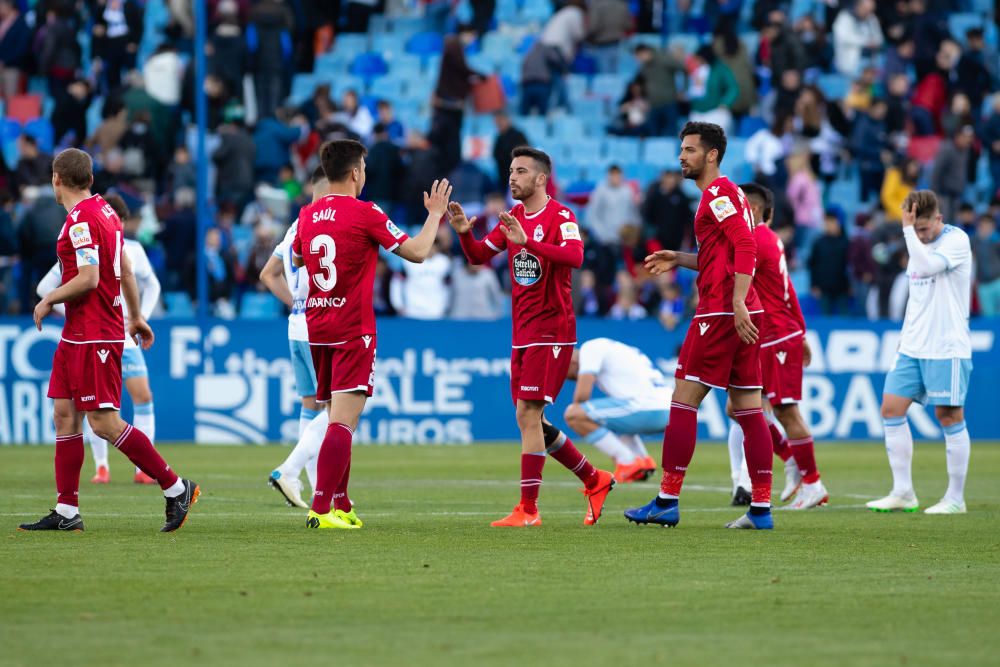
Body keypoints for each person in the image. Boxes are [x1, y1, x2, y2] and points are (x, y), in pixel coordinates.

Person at [20, 149, 198, 532]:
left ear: (56, 179)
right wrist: (135, 316)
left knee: (103, 423)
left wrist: (48, 298)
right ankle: (67, 511)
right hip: (79, 334)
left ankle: (175, 487)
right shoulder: (106, 212)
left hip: (94, 334)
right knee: (64, 415)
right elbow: (127, 270)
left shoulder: (82, 221)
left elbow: (90, 277)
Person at [449, 146, 615, 527]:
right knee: (532, 422)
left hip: (552, 330)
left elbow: (574, 257)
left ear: (541, 179)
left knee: (528, 414)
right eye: (510, 170)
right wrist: (463, 234)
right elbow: (478, 256)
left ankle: (528, 509)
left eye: (521, 171)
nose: (512, 177)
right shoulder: (513, 218)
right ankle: (594, 478)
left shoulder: (562, 216)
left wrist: (528, 243)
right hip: (521, 334)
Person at [292, 140, 452, 530]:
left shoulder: (309, 213)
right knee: (344, 423)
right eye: (363, 167)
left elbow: (297, 257)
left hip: (319, 327)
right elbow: (416, 252)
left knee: (337, 418)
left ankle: (342, 502)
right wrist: (435, 215)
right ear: (355, 173)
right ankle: (322, 507)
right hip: (352, 330)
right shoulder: (366, 213)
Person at [625, 121, 774, 530]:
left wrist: (737, 300)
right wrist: (679, 256)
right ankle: (760, 509)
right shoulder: (733, 196)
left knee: (683, 401)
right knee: (748, 408)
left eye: (690, 150)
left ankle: (666, 500)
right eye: (682, 149)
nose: (681, 157)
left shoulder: (719, 193)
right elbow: (725, 250)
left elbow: (746, 244)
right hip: (742, 309)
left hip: (722, 311)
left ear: (711, 155)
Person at [36, 193, 161, 485]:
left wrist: (140, 316)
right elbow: (50, 285)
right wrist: (66, 308)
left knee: (113, 408)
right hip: (98, 333)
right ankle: (100, 469)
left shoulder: (98, 234)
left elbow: (140, 280)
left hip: (109, 333)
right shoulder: (94, 238)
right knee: (83, 412)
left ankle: (164, 479)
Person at [868, 191, 974, 515]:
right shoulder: (917, 244)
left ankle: (955, 498)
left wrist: (906, 231)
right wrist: (903, 337)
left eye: (924, 228)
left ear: (939, 219)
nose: (920, 235)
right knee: (890, 409)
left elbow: (928, 268)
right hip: (913, 345)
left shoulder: (956, 241)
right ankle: (903, 492)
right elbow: (917, 296)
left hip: (946, 345)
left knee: (949, 416)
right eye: (916, 229)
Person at [726, 183, 827, 510]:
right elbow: (788, 290)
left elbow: (722, 271)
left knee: (785, 411)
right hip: (772, 334)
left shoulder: (755, 239)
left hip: (776, 335)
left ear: (751, 209)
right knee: (738, 408)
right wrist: (802, 330)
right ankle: (790, 457)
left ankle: (813, 484)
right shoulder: (767, 239)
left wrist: (796, 332)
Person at [260, 167, 329, 509]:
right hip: (320, 326)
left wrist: (297, 303)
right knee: (340, 406)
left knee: (310, 404)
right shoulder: (325, 223)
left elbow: (267, 274)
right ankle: (290, 471)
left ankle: (313, 489)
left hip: (297, 323)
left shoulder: (294, 227)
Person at [563, 339, 665, 484]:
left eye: (569, 375)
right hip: (669, 409)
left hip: (648, 408)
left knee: (573, 414)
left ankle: (627, 461)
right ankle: (642, 460)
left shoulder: (590, 348)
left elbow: (582, 397)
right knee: (611, 415)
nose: (572, 379)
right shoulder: (618, 348)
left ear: (571, 361)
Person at [586, 164, 638, 246]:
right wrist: (601, 234)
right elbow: (592, 214)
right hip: (605, 239)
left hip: (623, 238)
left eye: (618, 175)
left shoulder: (627, 191)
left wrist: (632, 231)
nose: (615, 177)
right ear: (608, 175)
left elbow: (632, 212)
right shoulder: (600, 191)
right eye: (613, 175)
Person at [972, 214, 1000, 316]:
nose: (986, 228)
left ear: (993, 226)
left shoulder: (997, 240)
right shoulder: (974, 241)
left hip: (998, 281)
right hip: (983, 286)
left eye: (988, 225)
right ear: (979, 226)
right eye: (983, 225)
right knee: (988, 316)